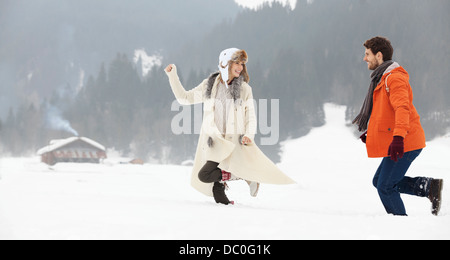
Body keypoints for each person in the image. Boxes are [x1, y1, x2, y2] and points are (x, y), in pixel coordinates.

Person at [165, 48, 295, 205]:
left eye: (242, 64)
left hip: (233, 144)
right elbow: (184, 98)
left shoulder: (244, 89)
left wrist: (249, 134)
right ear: (225, 64)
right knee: (206, 178)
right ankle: (241, 177)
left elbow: (250, 116)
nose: (240, 67)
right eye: (237, 63)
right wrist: (172, 76)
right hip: (216, 144)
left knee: (209, 179)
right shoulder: (210, 85)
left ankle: (244, 176)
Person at [353, 36, 443, 216]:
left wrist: (398, 138)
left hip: (407, 141)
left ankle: (401, 227)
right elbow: (385, 112)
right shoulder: (382, 78)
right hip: (404, 138)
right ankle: (428, 187)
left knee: (385, 187)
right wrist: (372, 132)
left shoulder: (394, 78)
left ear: (379, 55)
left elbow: (403, 109)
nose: (364, 58)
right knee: (379, 181)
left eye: (367, 54)